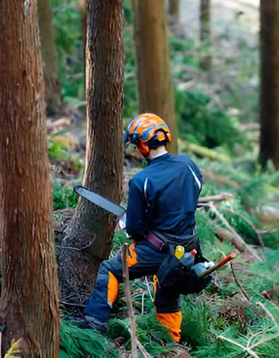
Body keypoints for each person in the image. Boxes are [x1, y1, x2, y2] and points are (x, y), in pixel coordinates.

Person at [83, 113, 204, 342]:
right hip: (187, 247)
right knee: (168, 286)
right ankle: (171, 344)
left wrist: (127, 226)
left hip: (156, 250)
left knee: (109, 270)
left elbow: (136, 229)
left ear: (143, 144)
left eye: (137, 145)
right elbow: (194, 193)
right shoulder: (189, 166)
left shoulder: (142, 180)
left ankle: (93, 325)